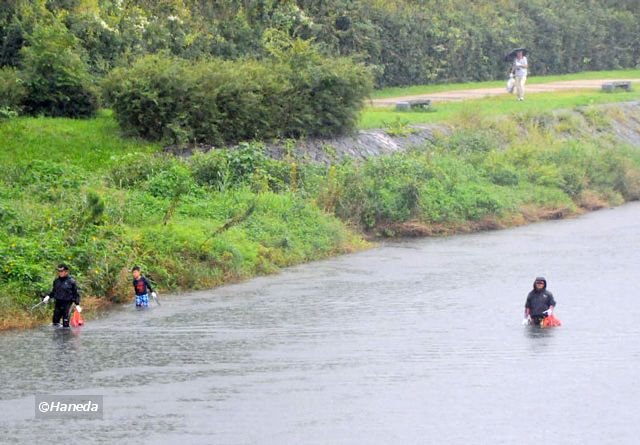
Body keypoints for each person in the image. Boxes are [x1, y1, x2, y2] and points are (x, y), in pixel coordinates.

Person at [42, 263, 81, 328]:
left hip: (67, 305)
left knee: (66, 324)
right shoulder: (56, 281)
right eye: (59, 271)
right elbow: (54, 292)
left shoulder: (71, 281)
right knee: (55, 323)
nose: (60, 273)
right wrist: (48, 297)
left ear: (66, 272)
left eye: (61, 271)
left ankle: (66, 336)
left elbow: (75, 294)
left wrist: (77, 304)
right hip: (58, 304)